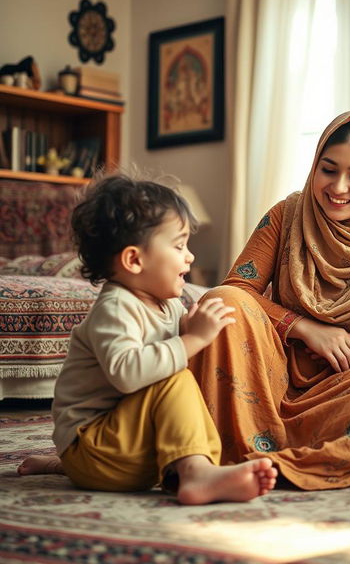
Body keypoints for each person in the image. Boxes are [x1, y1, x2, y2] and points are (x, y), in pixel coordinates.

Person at [188, 110, 350, 490]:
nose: (337, 187)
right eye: (328, 169)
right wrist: (306, 329)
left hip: (346, 386)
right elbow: (238, 289)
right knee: (224, 302)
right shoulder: (288, 214)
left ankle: (285, 466)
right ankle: (237, 455)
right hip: (268, 373)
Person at [19, 174, 277, 504]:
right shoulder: (115, 308)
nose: (190, 257)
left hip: (125, 448)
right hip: (94, 448)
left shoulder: (168, 304)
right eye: (179, 245)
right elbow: (128, 374)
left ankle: (196, 464)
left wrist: (188, 333)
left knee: (187, 375)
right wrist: (190, 340)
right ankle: (196, 474)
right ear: (134, 260)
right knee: (175, 379)